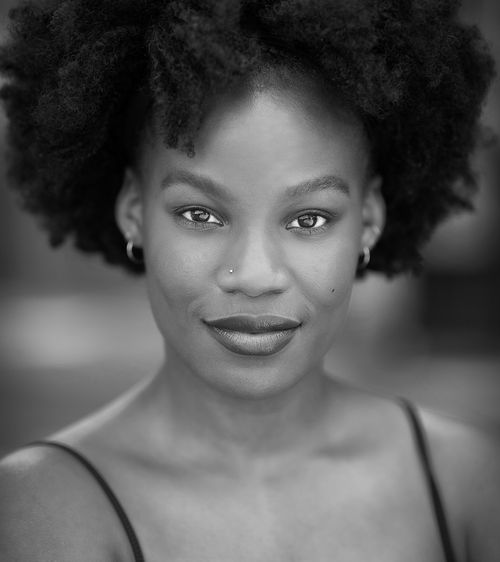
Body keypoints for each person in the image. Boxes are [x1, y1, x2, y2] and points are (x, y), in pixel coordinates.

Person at [0, 0, 498, 560]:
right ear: (134, 211)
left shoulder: (468, 483)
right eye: (200, 214)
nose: (256, 277)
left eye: (309, 220)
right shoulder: (42, 508)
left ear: (369, 221)